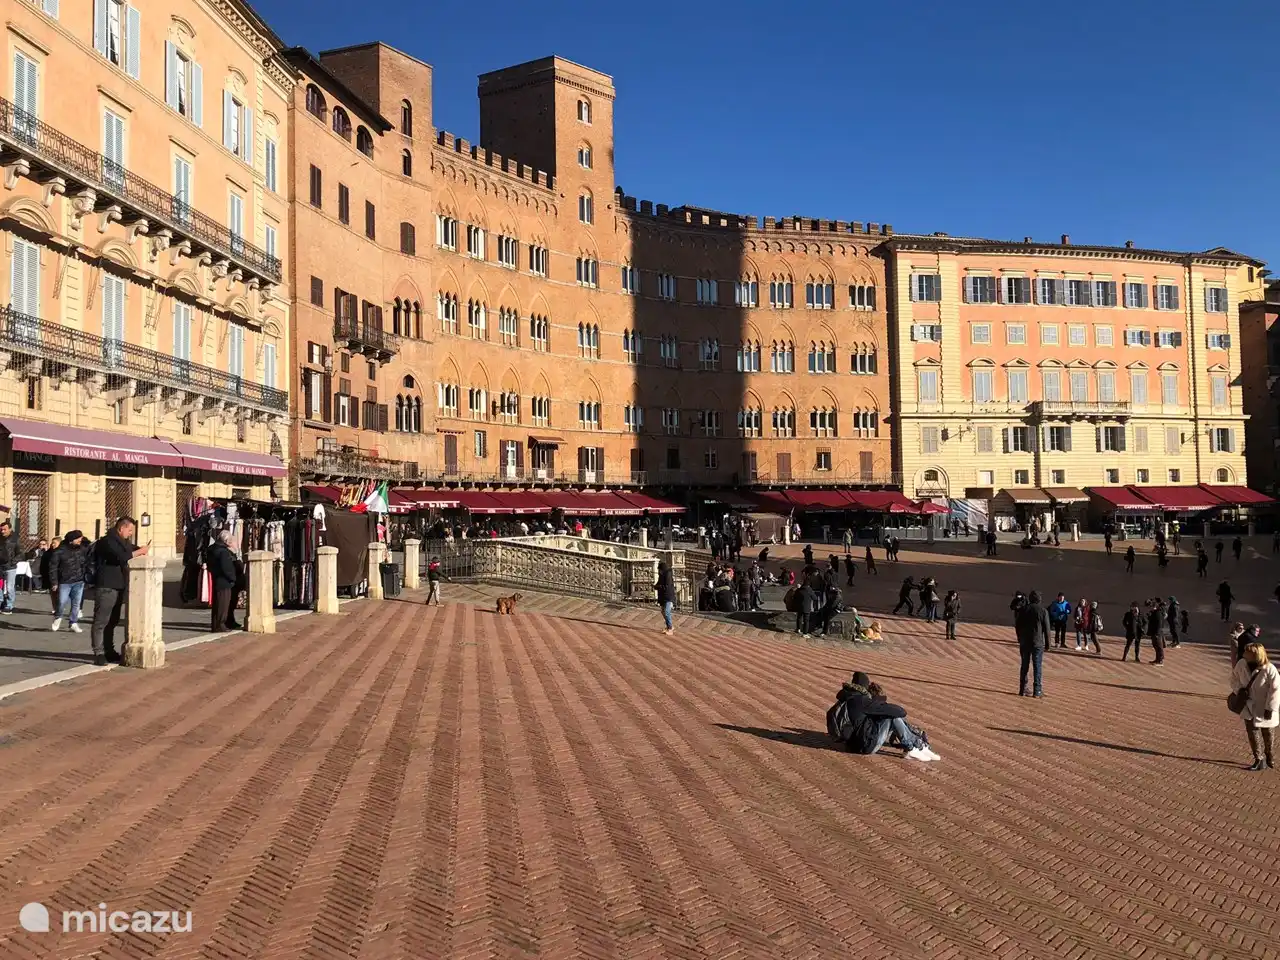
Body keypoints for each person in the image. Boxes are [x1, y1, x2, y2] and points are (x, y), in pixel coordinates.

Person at [826, 671, 939, 762]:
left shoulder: (846, 699)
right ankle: (912, 747)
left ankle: (916, 745)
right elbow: (901, 712)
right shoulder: (862, 701)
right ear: (864, 687)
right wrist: (880, 704)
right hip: (865, 747)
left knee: (888, 716)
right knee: (892, 717)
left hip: (851, 745)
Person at [90, 516, 149, 665]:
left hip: (119, 585)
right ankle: (99, 652)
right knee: (101, 621)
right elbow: (120, 557)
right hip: (106, 586)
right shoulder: (107, 541)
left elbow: (130, 549)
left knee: (113, 621)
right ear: (122, 528)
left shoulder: (123, 543)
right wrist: (140, 552)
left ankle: (109, 650)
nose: (131, 533)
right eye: (130, 530)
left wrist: (140, 549)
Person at [1231, 643, 1279, 771]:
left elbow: (1275, 690)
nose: (1243, 654)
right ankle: (1258, 759)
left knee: (1268, 734)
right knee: (1252, 733)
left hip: (1265, 707)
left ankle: (1269, 754)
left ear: (1255, 655)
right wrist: (1239, 690)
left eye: (1247, 652)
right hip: (1248, 705)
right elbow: (1234, 679)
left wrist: (1270, 708)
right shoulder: (1241, 664)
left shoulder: (1269, 669)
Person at [49, 531, 89, 634]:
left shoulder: (82, 550)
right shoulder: (59, 551)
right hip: (64, 581)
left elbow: (86, 563)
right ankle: (58, 617)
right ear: (71, 540)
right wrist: (54, 582)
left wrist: (86, 575)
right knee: (62, 602)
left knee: (76, 604)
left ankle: (73, 622)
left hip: (79, 581)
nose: (80, 540)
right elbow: (53, 567)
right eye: (78, 538)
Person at [1015, 589, 1050, 698]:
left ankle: (1022, 689)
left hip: (1025, 641)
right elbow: (1047, 630)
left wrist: (1019, 638)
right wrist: (1048, 644)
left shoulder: (1023, 609)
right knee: (1037, 666)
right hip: (1037, 642)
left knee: (1024, 665)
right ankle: (1037, 690)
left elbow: (1017, 625)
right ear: (1039, 599)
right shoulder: (1043, 611)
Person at [207, 529, 239, 634]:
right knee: (223, 605)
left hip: (216, 578)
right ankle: (220, 625)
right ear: (226, 541)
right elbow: (227, 568)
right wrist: (232, 578)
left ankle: (216, 625)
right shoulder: (223, 552)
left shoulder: (212, 549)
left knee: (217, 603)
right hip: (224, 581)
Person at [0, 519, 19, 614]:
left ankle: (9, 605)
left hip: (10, 567)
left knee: (9, 586)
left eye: (5, 529)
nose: (2, 531)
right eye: (1, 529)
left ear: (10, 529)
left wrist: (12, 562)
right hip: (0, 566)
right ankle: (1, 602)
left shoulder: (15, 539)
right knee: (0, 586)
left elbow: (20, 553)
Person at [39, 536, 61, 614]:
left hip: (61, 576)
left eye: (54, 543)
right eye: (52, 543)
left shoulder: (62, 552)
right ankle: (55, 608)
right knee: (53, 593)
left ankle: (59, 608)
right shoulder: (47, 553)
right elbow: (43, 565)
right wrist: (43, 574)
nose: (52, 544)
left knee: (60, 594)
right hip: (50, 576)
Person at [656, 560, 677, 636]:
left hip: (668, 596)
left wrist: (659, 587)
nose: (659, 571)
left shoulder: (668, 575)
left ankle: (670, 628)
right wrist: (656, 586)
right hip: (663, 596)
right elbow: (659, 583)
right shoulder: (661, 575)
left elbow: (667, 586)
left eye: (660, 570)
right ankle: (669, 626)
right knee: (663, 611)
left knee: (667, 612)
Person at [1146, 599, 1166, 666]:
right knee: (1155, 645)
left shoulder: (1158, 613)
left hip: (1157, 632)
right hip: (1154, 632)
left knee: (1159, 646)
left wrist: (1157, 633)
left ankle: (1160, 660)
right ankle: (1157, 659)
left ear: (1154, 606)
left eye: (1151, 607)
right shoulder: (1154, 612)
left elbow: (1159, 624)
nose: (1150, 608)